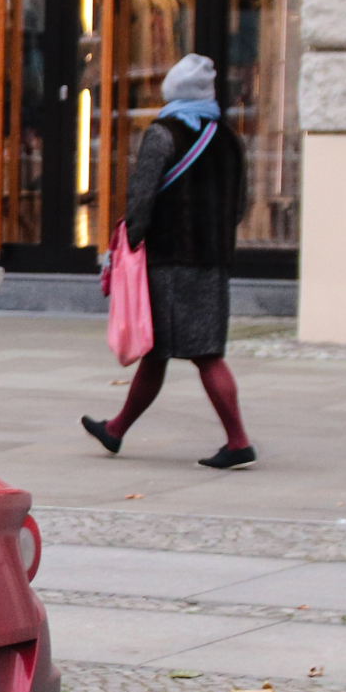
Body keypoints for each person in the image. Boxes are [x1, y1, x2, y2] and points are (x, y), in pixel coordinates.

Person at [82, 53, 255, 469]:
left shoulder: (163, 134)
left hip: (171, 262)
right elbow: (241, 203)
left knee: (204, 355)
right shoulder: (229, 138)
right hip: (213, 262)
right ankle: (116, 429)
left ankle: (238, 441)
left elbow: (141, 197)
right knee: (159, 352)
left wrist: (133, 242)